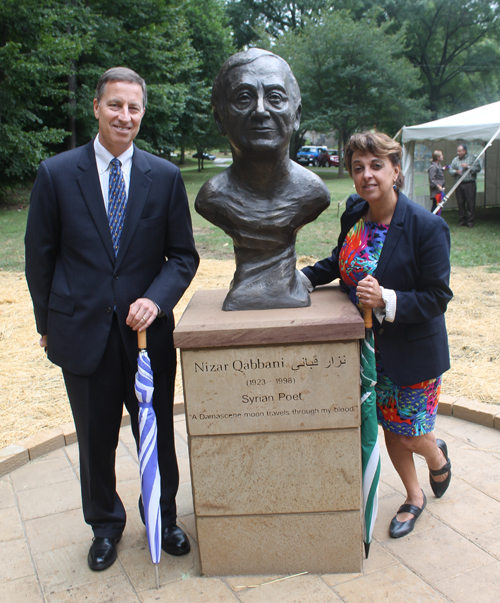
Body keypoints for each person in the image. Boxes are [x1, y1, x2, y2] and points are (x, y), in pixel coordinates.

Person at [25, 67, 199, 571]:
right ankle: (105, 525)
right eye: (116, 105)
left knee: (158, 431)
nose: (125, 116)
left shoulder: (164, 177)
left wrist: (157, 300)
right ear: (97, 108)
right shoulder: (57, 174)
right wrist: (45, 323)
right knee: (95, 437)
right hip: (81, 332)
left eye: (134, 108)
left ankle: (163, 518)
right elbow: (41, 255)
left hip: (147, 337)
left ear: (142, 114)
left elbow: (182, 257)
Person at [301, 131, 453, 539]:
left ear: (395, 170)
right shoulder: (355, 211)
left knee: (410, 431)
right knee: (389, 427)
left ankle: (436, 457)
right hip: (367, 352)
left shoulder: (426, 226)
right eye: (358, 168)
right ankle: (414, 496)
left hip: (412, 353)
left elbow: (438, 297)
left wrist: (387, 298)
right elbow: (341, 259)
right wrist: (303, 278)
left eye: (376, 166)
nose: (367, 175)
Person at [195, 48, 330, 311]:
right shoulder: (211, 198)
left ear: (296, 115)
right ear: (220, 119)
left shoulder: (314, 193)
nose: (260, 110)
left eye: (275, 98)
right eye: (243, 98)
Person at [449, 144, 480, 227]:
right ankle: (462, 220)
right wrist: (456, 172)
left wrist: (468, 166)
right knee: (460, 202)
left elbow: (478, 168)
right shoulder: (455, 160)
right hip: (459, 184)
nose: (457, 153)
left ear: (464, 151)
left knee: (470, 203)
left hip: (470, 184)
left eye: (459, 151)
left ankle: (470, 221)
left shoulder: (472, 158)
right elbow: (450, 170)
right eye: (457, 151)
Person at [428, 150, 446, 214]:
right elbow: (432, 180)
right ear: (438, 157)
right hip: (436, 191)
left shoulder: (439, 166)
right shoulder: (433, 167)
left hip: (439, 190)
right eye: (441, 155)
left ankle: (436, 219)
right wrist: (438, 186)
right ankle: (432, 218)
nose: (442, 156)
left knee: (439, 206)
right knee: (435, 206)